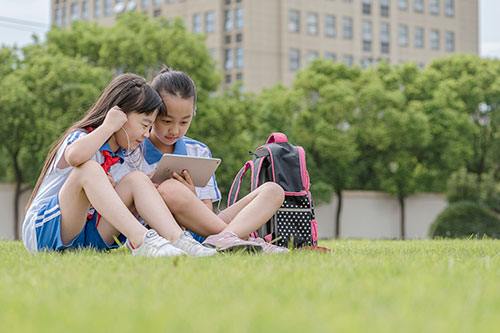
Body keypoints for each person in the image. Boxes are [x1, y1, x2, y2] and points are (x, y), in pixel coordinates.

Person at [22, 73, 216, 257]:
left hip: (90, 237)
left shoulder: (128, 157)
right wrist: (108, 126)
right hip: (45, 231)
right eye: (144, 125)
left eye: (150, 128)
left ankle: (178, 240)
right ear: (120, 116)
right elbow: (74, 157)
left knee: (137, 180)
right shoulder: (83, 137)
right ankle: (142, 241)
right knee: (88, 169)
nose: (147, 134)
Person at [139, 66, 289, 253]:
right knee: (170, 189)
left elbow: (207, 212)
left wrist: (191, 196)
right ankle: (238, 239)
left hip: (204, 228)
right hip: (167, 231)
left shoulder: (198, 151)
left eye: (184, 122)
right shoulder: (135, 150)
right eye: (167, 122)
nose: (175, 130)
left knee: (273, 190)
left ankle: (228, 238)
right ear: (152, 113)